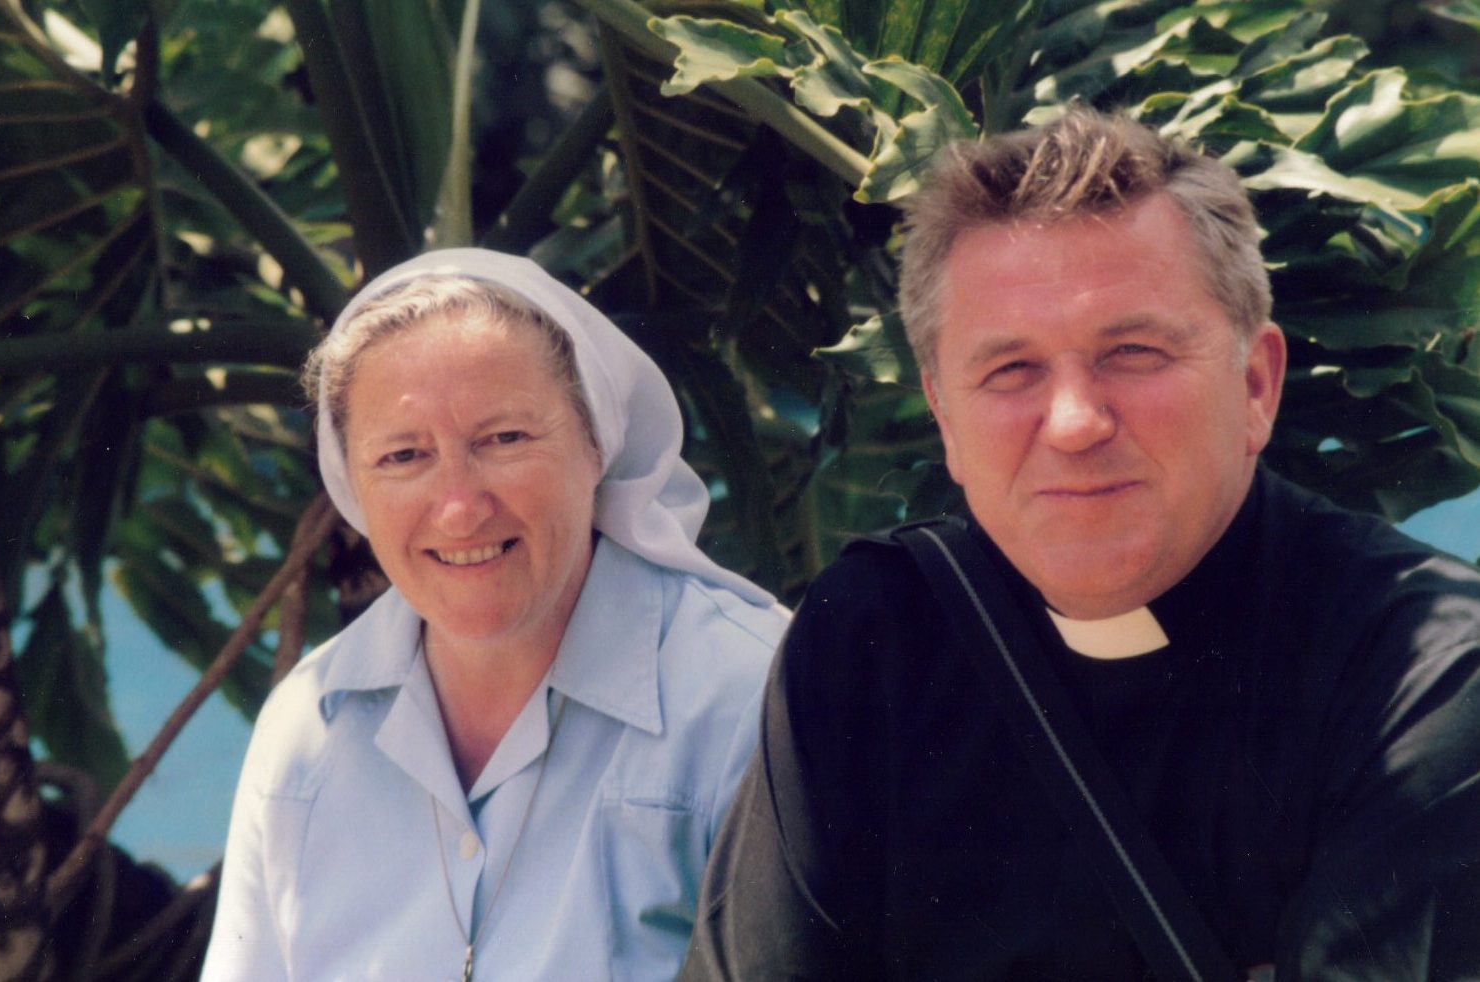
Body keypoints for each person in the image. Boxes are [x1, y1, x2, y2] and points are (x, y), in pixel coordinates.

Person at [680, 109, 1480, 979]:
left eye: (1131, 352)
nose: (1072, 423)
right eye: (1009, 370)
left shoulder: (1424, 670)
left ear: (1255, 385)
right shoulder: (874, 633)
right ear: (945, 417)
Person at [202, 248, 787, 980]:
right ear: (349, 485)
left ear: (595, 444)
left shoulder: (752, 699)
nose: (458, 508)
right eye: (404, 456)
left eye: (503, 439)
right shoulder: (306, 729)